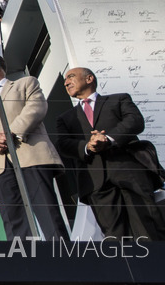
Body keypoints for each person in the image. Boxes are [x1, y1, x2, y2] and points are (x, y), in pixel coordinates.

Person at [0, 53, 68, 240]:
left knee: (47, 212)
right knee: (14, 221)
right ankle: (24, 264)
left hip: (30, 156)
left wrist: (10, 134)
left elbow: (36, 108)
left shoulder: (26, 83)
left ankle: (64, 258)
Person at [56, 67, 165, 240]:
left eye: (70, 77)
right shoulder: (66, 118)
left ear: (89, 78)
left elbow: (135, 121)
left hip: (129, 172)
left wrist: (108, 138)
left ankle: (155, 265)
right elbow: (63, 144)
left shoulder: (119, 99)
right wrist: (88, 146)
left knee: (147, 224)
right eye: (65, 82)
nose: (67, 82)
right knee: (114, 236)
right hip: (95, 182)